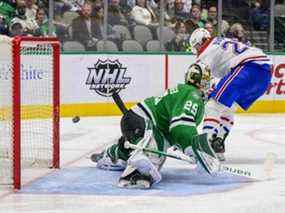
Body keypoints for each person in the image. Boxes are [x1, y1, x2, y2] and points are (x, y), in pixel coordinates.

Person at [91, 62, 211, 189]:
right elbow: (181, 128)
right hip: (141, 121)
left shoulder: (185, 92)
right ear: (200, 81)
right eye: (206, 80)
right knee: (155, 149)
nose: (208, 84)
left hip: (135, 121)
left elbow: (176, 132)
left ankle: (112, 154)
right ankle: (135, 175)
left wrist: (188, 148)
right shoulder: (192, 94)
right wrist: (196, 150)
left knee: (144, 147)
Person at [189, 28, 272, 161]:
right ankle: (218, 145)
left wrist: (193, 93)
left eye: (196, 46)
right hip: (265, 74)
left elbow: (197, 73)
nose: (197, 51)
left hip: (248, 67)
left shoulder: (207, 50)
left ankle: (206, 145)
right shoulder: (221, 43)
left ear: (201, 42)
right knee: (228, 107)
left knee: (213, 106)